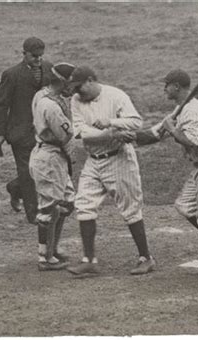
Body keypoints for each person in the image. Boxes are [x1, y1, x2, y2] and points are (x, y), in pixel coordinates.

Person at [136, 69, 198, 277]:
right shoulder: (180, 110)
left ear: (177, 87)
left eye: (167, 85)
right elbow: (154, 135)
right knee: (185, 206)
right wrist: (128, 137)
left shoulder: (191, 111)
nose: (164, 89)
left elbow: (191, 140)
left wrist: (172, 129)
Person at [66, 66, 156, 277]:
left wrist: (112, 122)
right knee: (84, 205)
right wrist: (110, 133)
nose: (77, 92)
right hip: (93, 160)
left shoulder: (116, 96)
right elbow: (80, 132)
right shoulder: (76, 101)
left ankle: (146, 258)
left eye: (79, 87)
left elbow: (136, 121)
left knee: (130, 209)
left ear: (90, 80)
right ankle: (89, 260)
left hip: (119, 159)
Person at [0, 37, 53, 249]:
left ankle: (14, 187)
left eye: (40, 56)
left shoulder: (48, 68)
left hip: (43, 131)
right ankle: (32, 212)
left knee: (40, 169)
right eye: (34, 56)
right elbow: (1, 104)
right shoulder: (11, 75)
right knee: (27, 171)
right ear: (24, 53)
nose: (38, 60)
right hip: (20, 133)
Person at [29, 62, 77, 271]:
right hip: (50, 158)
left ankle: (52, 249)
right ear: (62, 82)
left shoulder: (42, 95)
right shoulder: (51, 106)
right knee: (48, 208)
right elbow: (64, 136)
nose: (72, 89)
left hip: (52, 156)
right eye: (70, 84)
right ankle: (44, 258)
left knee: (67, 203)